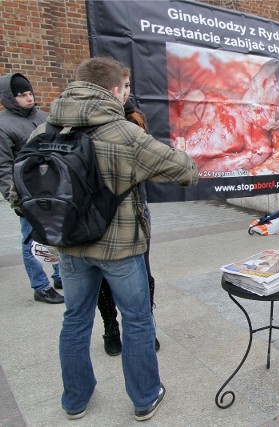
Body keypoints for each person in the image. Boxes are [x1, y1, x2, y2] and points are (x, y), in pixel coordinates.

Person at [11, 57, 198, 421]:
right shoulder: (124, 133)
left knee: (75, 319)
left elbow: (17, 194)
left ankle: (75, 400)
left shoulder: (43, 130)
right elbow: (186, 172)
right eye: (124, 89)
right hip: (120, 249)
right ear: (114, 90)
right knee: (138, 320)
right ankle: (144, 398)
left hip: (69, 247)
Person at [97, 97, 159, 356]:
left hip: (135, 208)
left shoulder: (134, 120)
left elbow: (153, 161)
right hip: (97, 210)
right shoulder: (85, 122)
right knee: (103, 276)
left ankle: (146, 327)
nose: (126, 92)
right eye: (123, 86)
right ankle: (111, 327)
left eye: (127, 87)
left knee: (142, 273)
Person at [0, 73, 64, 304]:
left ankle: (59, 276)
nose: (28, 98)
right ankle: (40, 286)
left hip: (53, 189)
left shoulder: (43, 117)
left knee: (55, 233)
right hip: (27, 193)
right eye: (21, 95)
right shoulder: (3, 125)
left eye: (29, 93)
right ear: (9, 97)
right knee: (31, 240)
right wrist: (13, 199)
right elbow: (4, 167)